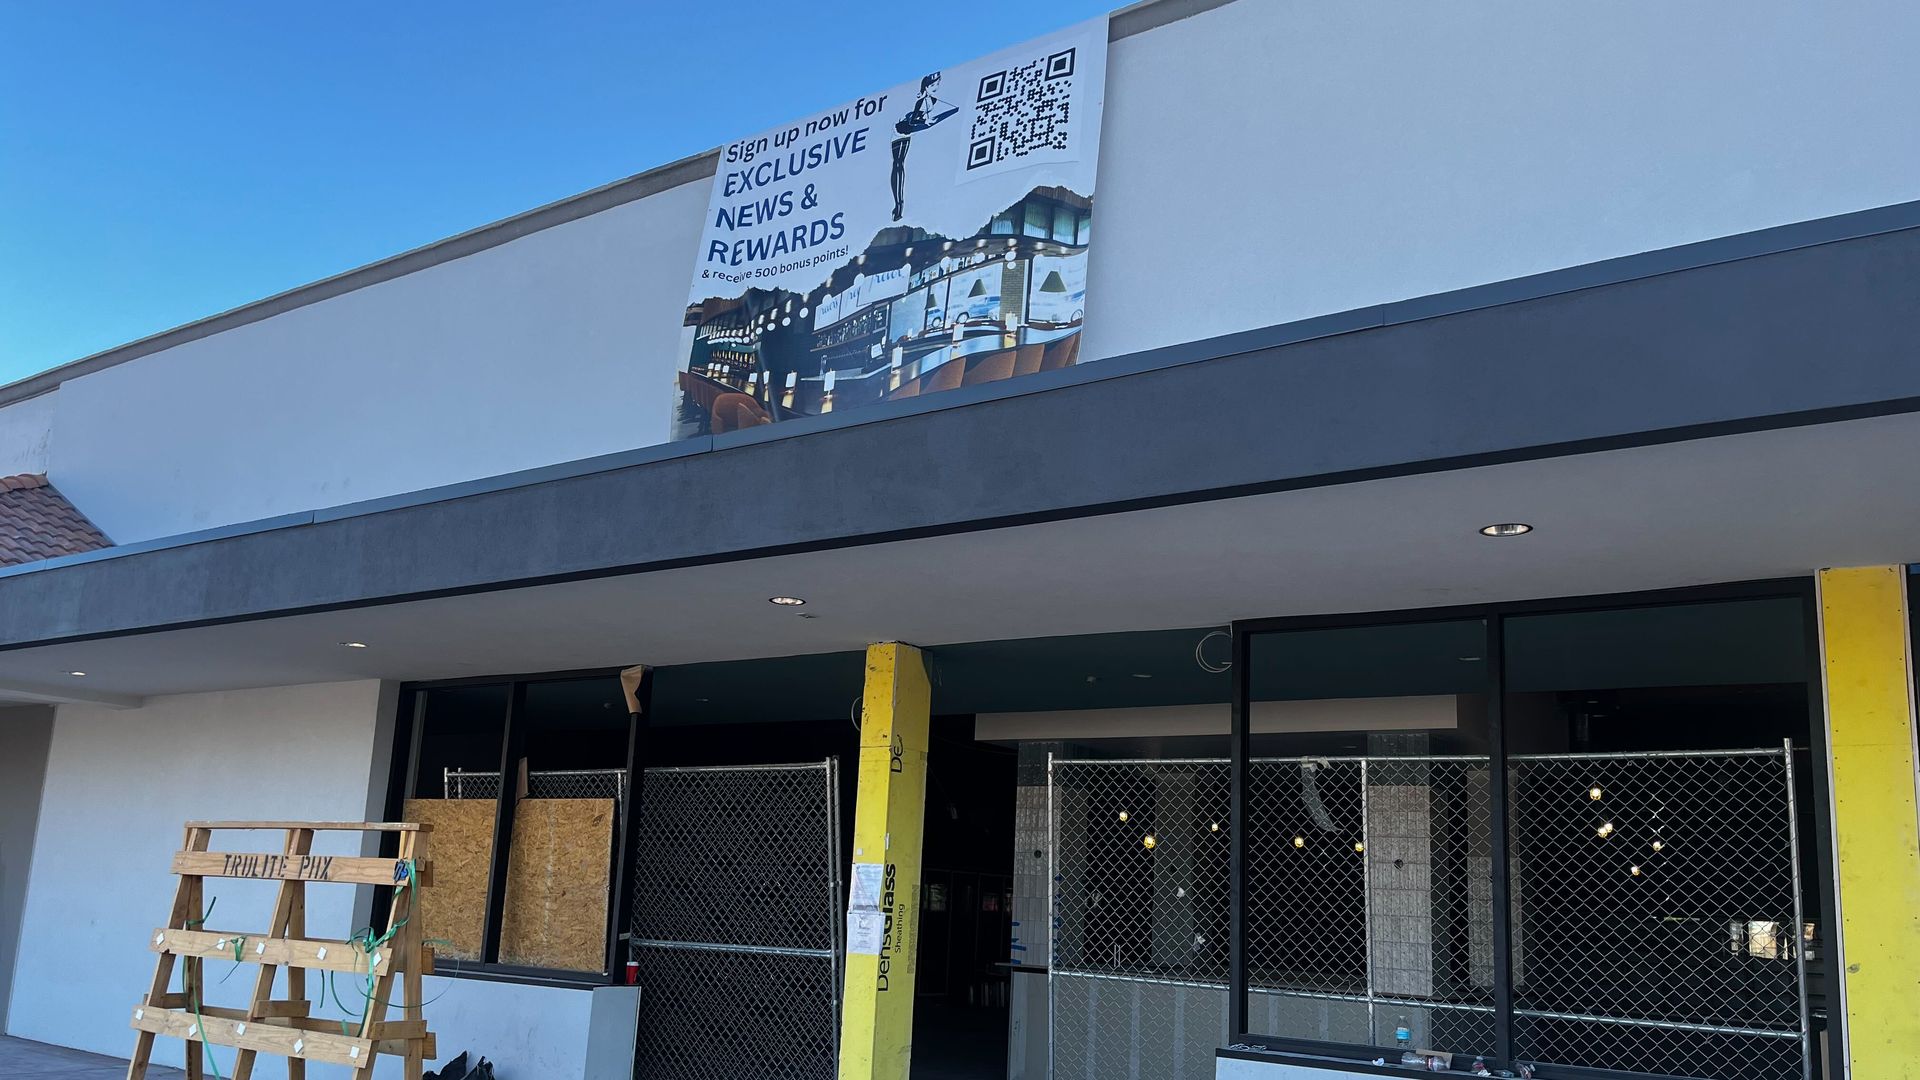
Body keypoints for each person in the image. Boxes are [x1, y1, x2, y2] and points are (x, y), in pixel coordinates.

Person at [890, 73, 958, 222]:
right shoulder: (920, 101)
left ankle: (900, 205)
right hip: (900, 131)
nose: (936, 88)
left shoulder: (933, 100)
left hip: (908, 133)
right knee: (898, 164)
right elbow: (914, 120)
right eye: (932, 85)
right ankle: (898, 204)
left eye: (937, 85)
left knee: (900, 164)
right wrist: (925, 122)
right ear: (925, 87)